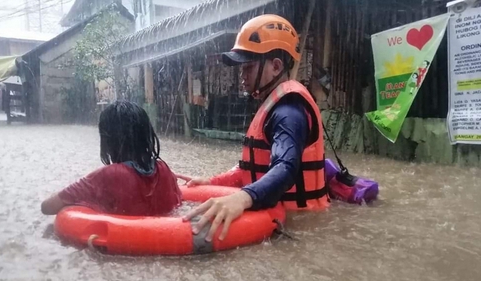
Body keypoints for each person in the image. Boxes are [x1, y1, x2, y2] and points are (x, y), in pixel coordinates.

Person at [176, 14, 329, 243]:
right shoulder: (274, 104)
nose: (242, 76)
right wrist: (212, 182)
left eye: (248, 68)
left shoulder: (289, 112)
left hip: (301, 226)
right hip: (284, 217)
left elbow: (286, 168)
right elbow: (252, 169)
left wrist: (243, 198)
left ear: (276, 66)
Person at [41, 100, 182, 216]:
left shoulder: (110, 175)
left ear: (108, 140)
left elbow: (47, 207)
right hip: (163, 239)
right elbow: (178, 203)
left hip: (125, 246)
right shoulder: (164, 170)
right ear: (147, 134)